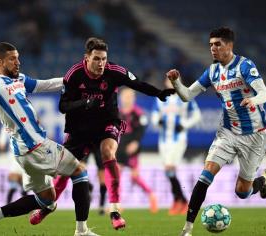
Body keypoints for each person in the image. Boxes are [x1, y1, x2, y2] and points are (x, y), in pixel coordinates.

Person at [29, 37, 175, 230]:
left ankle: (114, 210)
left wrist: (158, 93)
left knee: (108, 152)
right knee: (65, 170)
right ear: (86, 58)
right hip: (80, 129)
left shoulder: (114, 71)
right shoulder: (74, 74)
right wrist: (86, 103)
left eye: (104, 59)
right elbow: (63, 106)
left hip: (108, 123)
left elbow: (137, 84)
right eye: (96, 59)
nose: (101, 63)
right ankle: (48, 207)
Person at [0, 42, 99, 236]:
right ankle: (81, 231)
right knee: (79, 172)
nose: (18, 62)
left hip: (24, 153)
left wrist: (71, 78)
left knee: (47, 200)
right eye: (12, 59)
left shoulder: (20, 80)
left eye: (18, 57)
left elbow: (44, 84)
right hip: (35, 146)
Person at [166, 27, 266, 236]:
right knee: (205, 176)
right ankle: (187, 229)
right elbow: (187, 95)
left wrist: (253, 99)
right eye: (211, 45)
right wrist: (176, 83)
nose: (213, 49)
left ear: (229, 46)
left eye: (218, 44)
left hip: (255, 136)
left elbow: (265, 94)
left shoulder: (244, 66)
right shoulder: (213, 71)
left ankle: (265, 179)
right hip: (228, 133)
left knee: (242, 192)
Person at [152, 77, 201, 216]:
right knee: (168, 171)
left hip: (178, 139)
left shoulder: (185, 96)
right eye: (168, 80)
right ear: (165, 83)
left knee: (170, 168)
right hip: (163, 139)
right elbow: (155, 115)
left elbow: (197, 115)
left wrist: (185, 124)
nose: (170, 83)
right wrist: (158, 121)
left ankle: (179, 201)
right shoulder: (161, 97)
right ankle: (181, 200)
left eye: (173, 80)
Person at [117, 87, 158, 213]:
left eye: (129, 96)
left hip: (132, 147)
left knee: (134, 177)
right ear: (121, 97)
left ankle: (151, 195)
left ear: (133, 98)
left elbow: (141, 130)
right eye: (125, 96)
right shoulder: (117, 112)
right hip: (120, 147)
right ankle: (117, 204)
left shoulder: (138, 113)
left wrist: (135, 142)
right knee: (117, 175)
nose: (127, 99)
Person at [0, 127, 27, 204]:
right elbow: (2, 144)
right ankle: (7, 207)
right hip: (16, 157)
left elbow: (1, 145)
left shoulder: (7, 126)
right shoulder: (6, 127)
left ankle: (9, 207)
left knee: (23, 185)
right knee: (16, 183)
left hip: (23, 156)